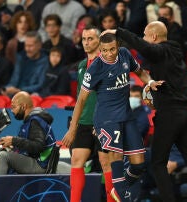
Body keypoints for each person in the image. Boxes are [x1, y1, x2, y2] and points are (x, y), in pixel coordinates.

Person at [102, 21, 187, 202]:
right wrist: (163, 97)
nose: (143, 38)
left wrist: (118, 32)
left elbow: (144, 48)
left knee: (158, 163)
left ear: (153, 37)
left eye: (145, 35)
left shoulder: (161, 51)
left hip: (169, 115)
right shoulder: (177, 56)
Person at [62, 32, 162, 201]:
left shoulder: (124, 54)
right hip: (106, 120)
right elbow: (80, 101)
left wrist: (150, 82)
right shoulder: (95, 69)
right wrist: (73, 129)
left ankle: (117, 192)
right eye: (105, 50)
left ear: (118, 47)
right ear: (100, 50)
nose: (109, 54)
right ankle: (121, 195)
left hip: (127, 117)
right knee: (113, 161)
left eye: (112, 49)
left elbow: (140, 72)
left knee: (139, 164)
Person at [64, 25, 114, 202]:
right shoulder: (82, 65)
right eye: (84, 39)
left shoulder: (108, 63)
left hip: (104, 121)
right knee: (77, 159)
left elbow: (111, 94)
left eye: (90, 39)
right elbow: (80, 97)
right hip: (84, 121)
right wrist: (73, 125)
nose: (86, 42)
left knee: (106, 163)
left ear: (99, 41)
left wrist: (103, 120)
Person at [0, 91, 57, 175]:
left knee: (3, 156)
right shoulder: (31, 121)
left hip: (40, 165)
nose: (12, 111)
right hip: (37, 161)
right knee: (7, 152)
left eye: (13, 107)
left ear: (23, 106)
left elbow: (38, 146)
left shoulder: (35, 121)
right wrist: (12, 145)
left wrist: (14, 140)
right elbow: (28, 145)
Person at [1, 31, 48, 97]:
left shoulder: (46, 61)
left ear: (39, 46)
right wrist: (7, 88)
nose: (27, 49)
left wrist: (20, 90)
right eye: (26, 45)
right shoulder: (20, 57)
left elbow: (41, 85)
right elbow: (14, 79)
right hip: (17, 95)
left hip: (33, 96)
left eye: (31, 46)